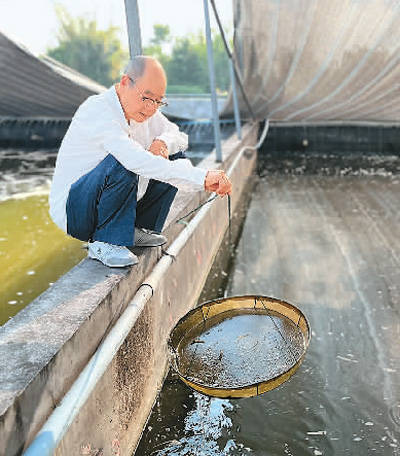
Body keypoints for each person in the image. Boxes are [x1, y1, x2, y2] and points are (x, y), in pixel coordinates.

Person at [49, 55, 232, 268]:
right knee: (127, 162)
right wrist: (202, 178)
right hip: (76, 210)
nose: (152, 108)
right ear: (125, 82)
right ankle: (104, 241)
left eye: (158, 101)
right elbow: (134, 160)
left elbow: (178, 135)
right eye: (147, 97)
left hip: (104, 197)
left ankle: (136, 229)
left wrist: (162, 142)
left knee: (173, 156)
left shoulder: (144, 111)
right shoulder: (98, 111)